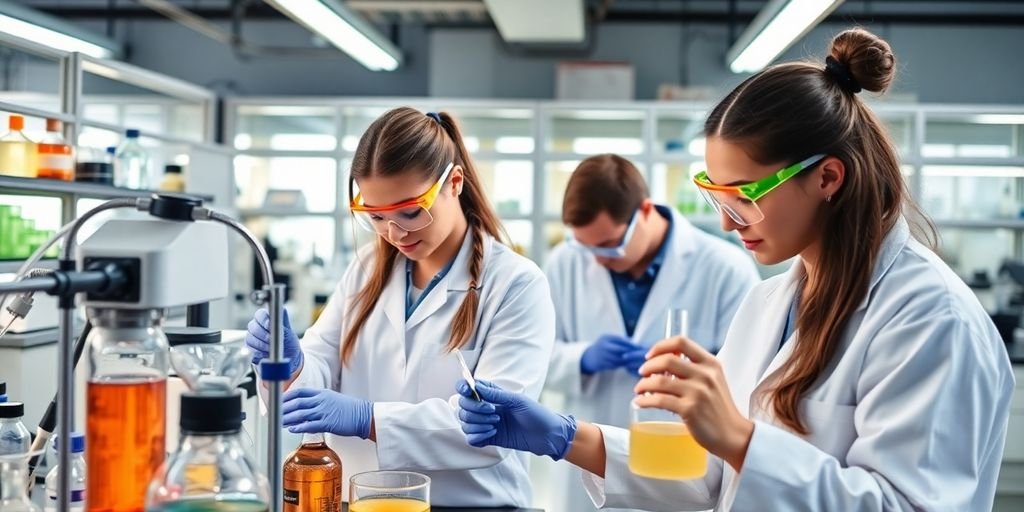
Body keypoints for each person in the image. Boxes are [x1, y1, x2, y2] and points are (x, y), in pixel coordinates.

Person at [455, 28, 1015, 511]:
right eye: (716, 196)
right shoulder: (769, 305)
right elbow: (707, 472)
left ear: (827, 179)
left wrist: (742, 438)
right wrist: (563, 436)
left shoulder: (931, 320)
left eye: (744, 197)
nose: (727, 224)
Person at [247, 107, 555, 507]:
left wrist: (368, 419)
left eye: (411, 212)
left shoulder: (515, 284)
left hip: (474, 505)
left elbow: (495, 430)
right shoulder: (366, 271)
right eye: (374, 216)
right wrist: (291, 366)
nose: (393, 233)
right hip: (366, 500)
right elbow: (316, 381)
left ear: (454, 183)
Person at [541, 154, 759, 511]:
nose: (597, 258)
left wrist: (682, 371)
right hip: (587, 467)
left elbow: (746, 377)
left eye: (609, 244)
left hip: (679, 467)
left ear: (645, 211)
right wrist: (582, 358)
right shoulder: (565, 263)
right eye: (586, 246)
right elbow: (540, 356)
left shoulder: (725, 269)